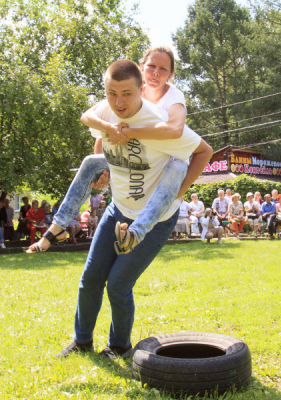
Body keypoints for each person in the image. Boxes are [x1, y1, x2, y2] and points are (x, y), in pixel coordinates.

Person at [55, 58, 211, 360]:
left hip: (152, 220)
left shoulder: (164, 123)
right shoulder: (111, 108)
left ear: (141, 88)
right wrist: (103, 166)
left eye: (126, 94)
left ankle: (119, 346)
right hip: (118, 209)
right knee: (90, 279)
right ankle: (82, 341)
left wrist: (177, 193)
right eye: (112, 93)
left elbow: (203, 150)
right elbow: (96, 129)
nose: (118, 101)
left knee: (118, 284)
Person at [29, 47, 210, 257]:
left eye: (163, 69)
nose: (156, 73)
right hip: (130, 162)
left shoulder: (171, 99)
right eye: (151, 66)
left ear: (170, 76)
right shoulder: (122, 94)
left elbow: (176, 130)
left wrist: (130, 133)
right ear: (142, 70)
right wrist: (107, 146)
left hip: (163, 164)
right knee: (90, 162)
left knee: (179, 164)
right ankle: (58, 227)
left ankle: (137, 233)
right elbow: (92, 123)